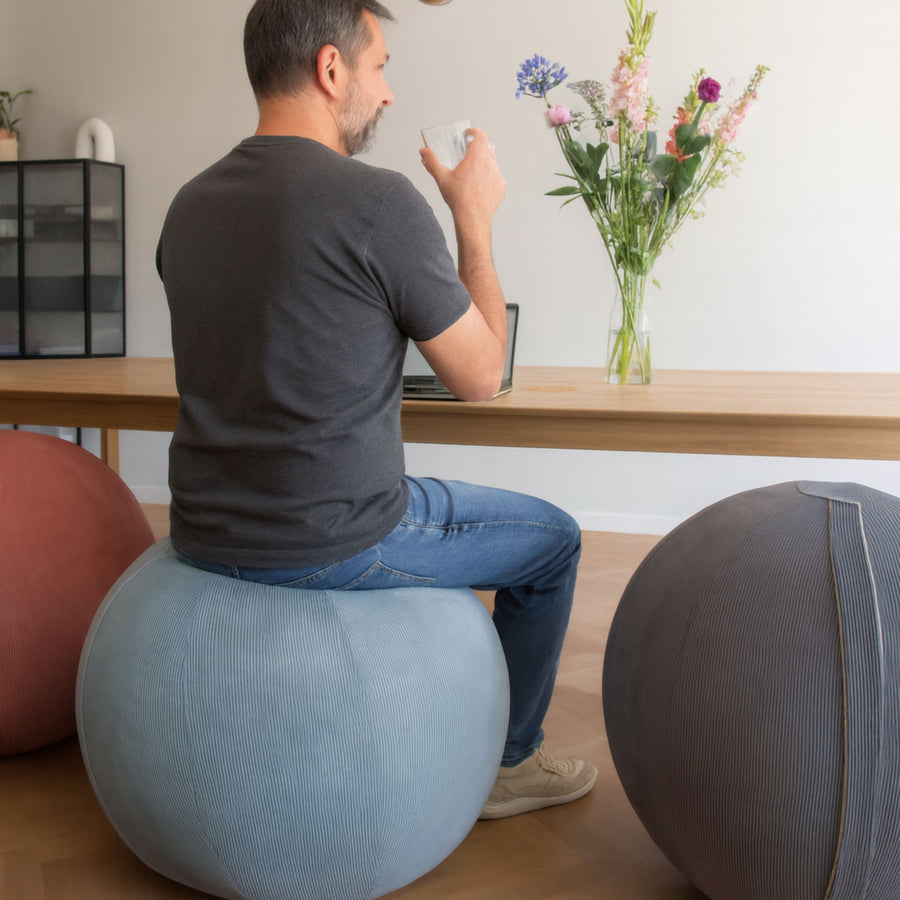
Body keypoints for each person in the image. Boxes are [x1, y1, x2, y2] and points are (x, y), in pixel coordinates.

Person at [155, 0, 596, 819]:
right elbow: (480, 376)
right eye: (380, 66)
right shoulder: (379, 202)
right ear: (332, 70)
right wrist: (473, 220)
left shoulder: (188, 205)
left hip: (203, 527)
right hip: (335, 537)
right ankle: (509, 765)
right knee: (555, 543)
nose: (387, 92)